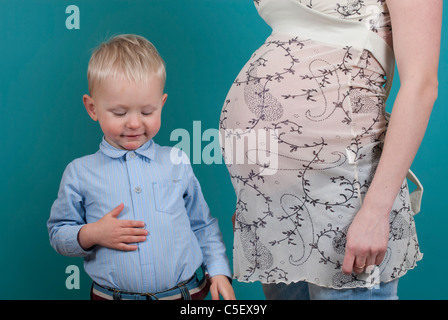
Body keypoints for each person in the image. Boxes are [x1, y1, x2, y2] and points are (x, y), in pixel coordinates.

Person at [220, 0, 441, 300]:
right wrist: (255, 191)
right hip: (274, 209)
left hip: (346, 197)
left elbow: (421, 83)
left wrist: (376, 212)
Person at [47, 34, 235, 300]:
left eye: (147, 112)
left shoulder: (177, 161)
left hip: (186, 295)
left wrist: (217, 272)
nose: (134, 123)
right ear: (92, 108)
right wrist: (92, 233)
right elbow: (58, 233)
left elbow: (202, 225)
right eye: (120, 113)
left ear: (162, 104)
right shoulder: (80, 173)